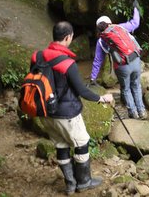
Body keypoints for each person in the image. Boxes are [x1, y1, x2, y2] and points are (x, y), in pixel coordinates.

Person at [36, 21, 114, 195]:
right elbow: (82, 90)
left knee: (61, 145)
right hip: (67, 114)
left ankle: (70, 184)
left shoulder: (38, 57)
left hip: (45, 112)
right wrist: (102, 98)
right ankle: (84, 182)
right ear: (68, 37)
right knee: (82, 143)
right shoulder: (67, 63)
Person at [90, 0, 147, 119]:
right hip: (135, 59)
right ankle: (142, 111)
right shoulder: (120, 27)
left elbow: (98, 60)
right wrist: (135, 8)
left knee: (126, 89)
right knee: (136, 86)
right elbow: (135, 23)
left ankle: (133, 113)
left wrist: (93, 78)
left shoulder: (101, 40)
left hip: (122, 66)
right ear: (110, 23)